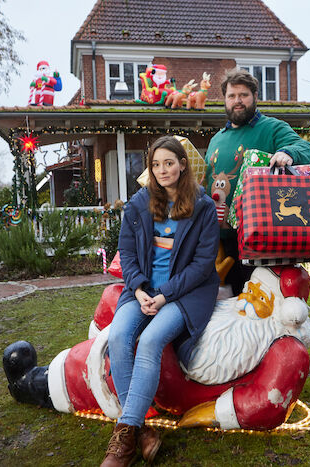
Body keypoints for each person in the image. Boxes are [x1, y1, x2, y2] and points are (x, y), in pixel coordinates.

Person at [101, 135, 220, 466]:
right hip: (142, 290)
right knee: (120, 336)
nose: (163, 170)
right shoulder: (138, 203)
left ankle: (122, 443)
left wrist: (165, 295)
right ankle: (139, 431)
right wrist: (138, 289)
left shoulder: (203, 206)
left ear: (183, 165)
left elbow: (202, 265)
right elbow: (126, 251)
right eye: (156, 165)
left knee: (151, 340)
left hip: (186, 293)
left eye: (169, 163)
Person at [205, 69, 310, 294]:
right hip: (218, 241)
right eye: (232, 96)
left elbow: (307, 149)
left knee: (259, 304)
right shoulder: (217, 139)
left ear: (255, 96)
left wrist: (288, 152)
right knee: (225, 305)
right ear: (224, 100)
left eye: (243, 95)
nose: (237, 101)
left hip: (258, 240)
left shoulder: (272, 128)